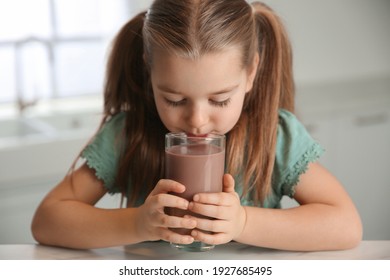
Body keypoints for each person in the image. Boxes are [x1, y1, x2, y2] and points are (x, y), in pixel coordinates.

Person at [31, 0, 362, 251]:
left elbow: (346, 225)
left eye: (219, 100)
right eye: (175, 100)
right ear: (151, 72)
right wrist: (137, 223)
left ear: (250, 73)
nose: (197, 121)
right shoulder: (128, 135)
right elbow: (47, 220)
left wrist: (243, 222)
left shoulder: (273, 138)